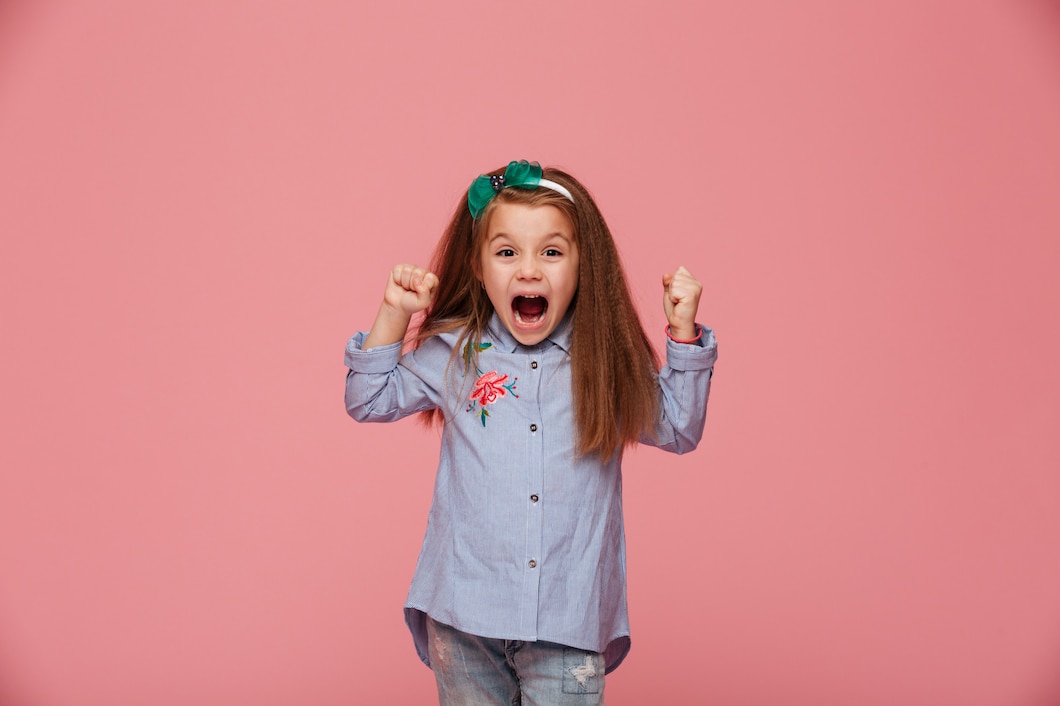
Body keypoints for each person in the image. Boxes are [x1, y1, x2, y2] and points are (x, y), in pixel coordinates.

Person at [344, 160, 717, 705]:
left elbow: (679, 428)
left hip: (567, 621)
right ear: (477, 267)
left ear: (583, 264)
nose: (529, 270)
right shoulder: (457, 351)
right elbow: (367, 398)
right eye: (506, 252)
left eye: (551, 252)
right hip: (464, 617)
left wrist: (683, 336)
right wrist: (393, 314)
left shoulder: (605, 361)